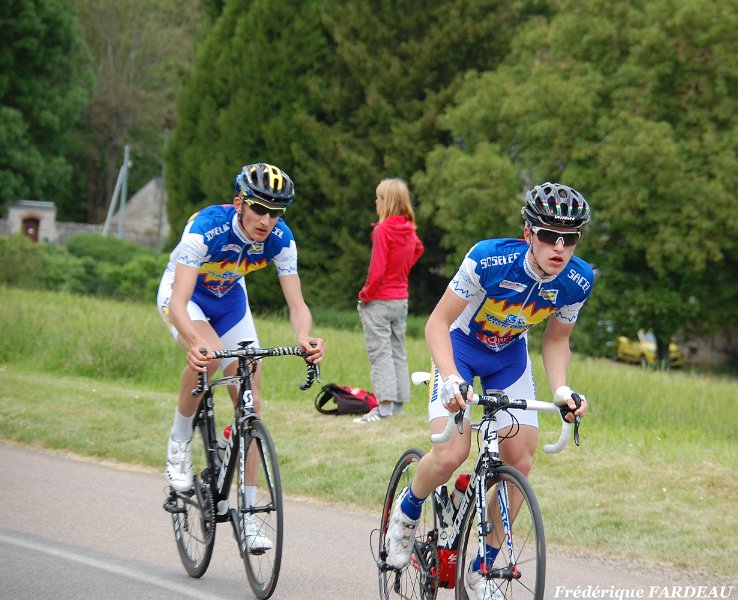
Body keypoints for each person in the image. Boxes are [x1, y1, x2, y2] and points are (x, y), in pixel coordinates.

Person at [383, 182, 592, 599]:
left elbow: (556, 340)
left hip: (508, 357)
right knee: (452, 453)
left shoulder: (577, 280)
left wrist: (562, 389)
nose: (559, 247)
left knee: (520, 460)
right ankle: (407, 513)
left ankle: (484, 565)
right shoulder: (489, 259)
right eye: (549, 235)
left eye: (569, 238)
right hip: (460, 350)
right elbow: (437, 323)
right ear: (528, 233)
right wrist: (450, 376)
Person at [157, 163, 324, 546]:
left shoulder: (281, 238)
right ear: (239, 205)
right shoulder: (206, 228)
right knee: (211, 356)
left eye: (276, 212)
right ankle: (179, 443)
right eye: (259, 209)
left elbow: (297, 303)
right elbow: (179, 302)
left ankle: (249, 517)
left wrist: (305, 336)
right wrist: (193, 342)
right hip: (187, 296)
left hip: (230, 301)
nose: (267, 220)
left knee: (251, 405)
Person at [354, 178, 424, 423]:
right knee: (398, 352)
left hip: (380, 300)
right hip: (400, 299)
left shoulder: (382, 230)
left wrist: (365, 294)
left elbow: (377, 269)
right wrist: (401, 272)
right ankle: (398, 407)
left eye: (379, 197)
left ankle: (383, 408)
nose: (376, 201)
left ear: (387, 202)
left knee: (380, 353)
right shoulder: (409, 228)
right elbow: (418, 249)